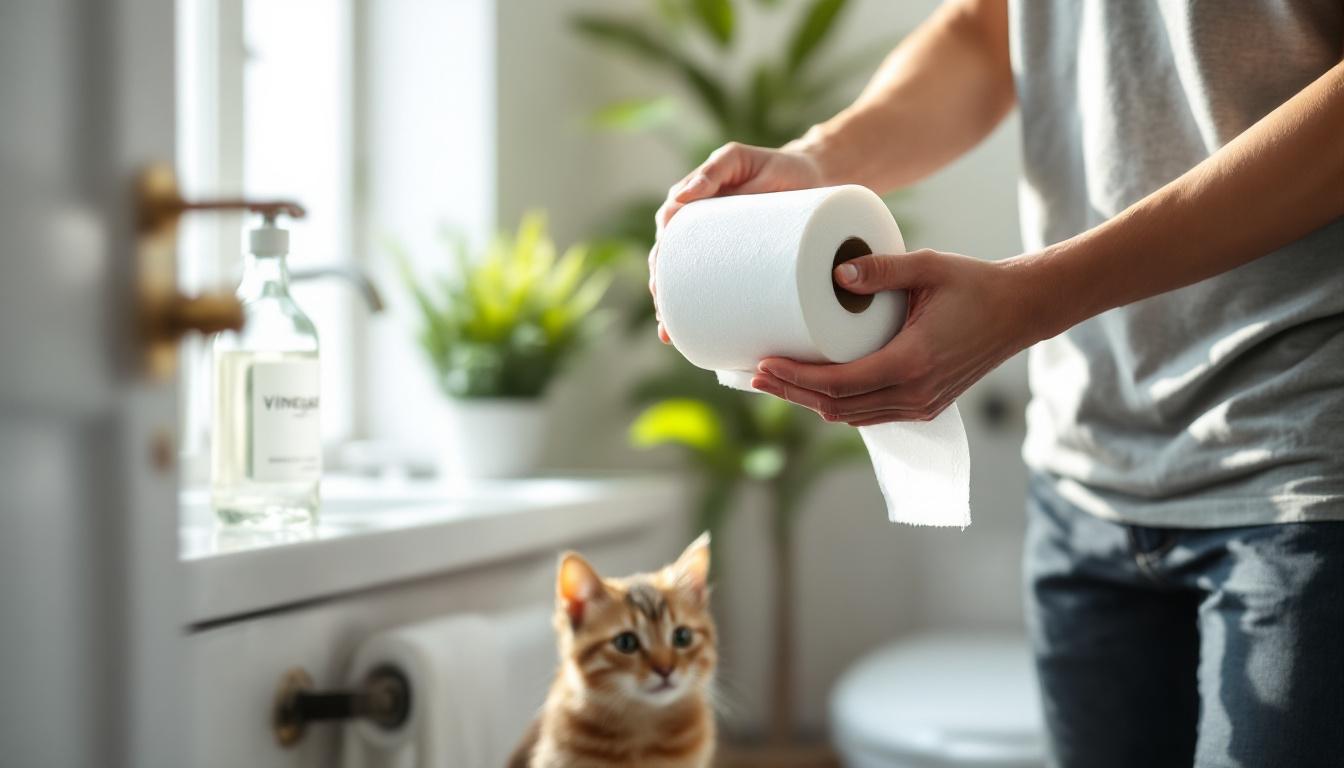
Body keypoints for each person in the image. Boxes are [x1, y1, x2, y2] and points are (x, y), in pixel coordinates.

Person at [648, 1, 1344, 766]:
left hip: (1305, 464)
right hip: (1084, 477)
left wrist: (1035, 298)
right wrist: (820, 162)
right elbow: (989, 31)